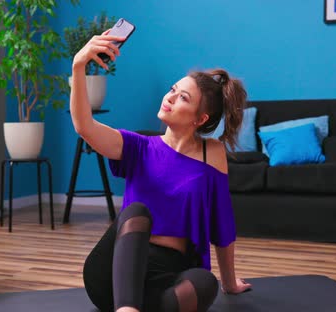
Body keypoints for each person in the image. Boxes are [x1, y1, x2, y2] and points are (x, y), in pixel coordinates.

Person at [70, 30, 252, 312]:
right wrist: (78, 66)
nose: (170, 97)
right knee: (136, 212)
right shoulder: (137, 147)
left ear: (200, 119)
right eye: (172, 90)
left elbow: (222, 222)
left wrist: (229, 282)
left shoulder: (211, 153)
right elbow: (84, 126)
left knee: (206, 283)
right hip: (113, 276)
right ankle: (127, 309)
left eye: (183, 98)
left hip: (167, 278)